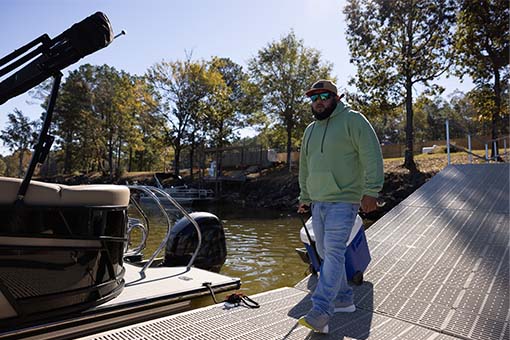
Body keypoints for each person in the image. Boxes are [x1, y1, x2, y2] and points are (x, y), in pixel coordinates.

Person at [297, 79, 383, 333]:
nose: (319, 101)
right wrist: (304, 195)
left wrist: (371, 191)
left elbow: (372, 154)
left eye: (324, 96)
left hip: (345, 200)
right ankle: (344, 299)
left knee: (333, 251)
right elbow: (305, 165)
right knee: (324, 251)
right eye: (314, 98)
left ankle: (321, 311)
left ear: (336, 97)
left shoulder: (353, 120)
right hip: (319, 202)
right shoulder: (310, 130)